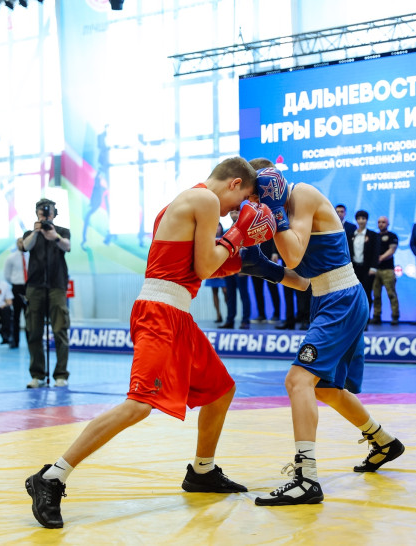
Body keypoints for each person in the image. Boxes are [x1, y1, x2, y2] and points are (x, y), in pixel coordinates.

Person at [24, 156, 274, 529]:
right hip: (160, 313)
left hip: (176, 313)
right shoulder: (206, 200)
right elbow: (206, 267)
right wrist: (238, 235)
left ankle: (202, 471)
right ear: (234, 183)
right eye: (239, 202)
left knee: (221, 390)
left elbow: (197, 268)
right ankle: (51, 477)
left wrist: (248, 260)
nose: (234, 212)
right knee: (139, 404)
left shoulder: (183, 204)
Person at [249, 161, 404, 506]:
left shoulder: (302, 195)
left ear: (267, 184)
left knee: (298, 381)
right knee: (326, 388)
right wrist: (263, 269)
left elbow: (292, 255)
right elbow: (303, 281)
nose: (253, 203)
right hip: (327, 298)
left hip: (341, 298)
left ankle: (306, 479)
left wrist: (274, 215)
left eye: (253, 194)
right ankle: (384, 441)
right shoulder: (280, 210)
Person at [23, 198, 71, 388]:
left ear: (54, 213)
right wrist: (37, 232)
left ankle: (61, 374)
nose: (45, 214)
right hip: (35, 286)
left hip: (56, 286)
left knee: (60, 330)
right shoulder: (30, 234)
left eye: (48, 211)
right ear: (37, 213)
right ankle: (38, 374)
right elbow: (25, 246)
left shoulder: (62, 232)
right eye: (42, 211)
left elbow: (67, 246)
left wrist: (54, 236)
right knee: (34, 331)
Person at [219, 209, 252, 330]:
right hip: (229, 269)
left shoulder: (246, 230)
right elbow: (223, 252)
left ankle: (245, 321)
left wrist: (245, 268)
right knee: (230, 295)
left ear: (240, 214)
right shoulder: (226, 232)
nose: (234, 215)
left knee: (244, 295)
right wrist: (222, 270)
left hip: (241, 268)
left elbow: (250, 250)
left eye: (236, 213)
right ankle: (230, 321)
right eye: (232, 213)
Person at [371, 216, 400, 325]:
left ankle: (395, 316)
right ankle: (376, 316)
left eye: (383, 222)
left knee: (391, 294)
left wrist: (380, 258)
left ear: (388, 224)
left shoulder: (392, 236)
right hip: (376, 270)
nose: (381, 224)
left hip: (388, 270)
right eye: (379, 222)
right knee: (376, 295)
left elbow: (392, 250)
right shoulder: (374, 236)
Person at [349, 210, 378, 314]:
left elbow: (376, 252)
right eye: (359, 218)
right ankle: (355, 317)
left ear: (367, 220)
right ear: (356, 220)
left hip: (367, 269)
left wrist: (373, 267)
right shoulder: (351, 235)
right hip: (354, 269)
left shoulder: (372, 235)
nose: (361, 221)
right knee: (354, 294)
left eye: (363, 218)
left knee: (366, 293)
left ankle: (366, 318)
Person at [3, 237, 28, 348]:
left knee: (29, 316)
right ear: (17, 244)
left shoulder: (31, 256)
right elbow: (7, 275)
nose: (21, 244)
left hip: (29, 288)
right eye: (19, 242)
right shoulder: (11, 258)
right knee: (16, 316)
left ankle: (30, 341)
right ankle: (15, 341)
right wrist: (15, 282)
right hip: (17, 288)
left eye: (23, 242)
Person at [250, 238, 281, 323]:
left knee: (273, 287)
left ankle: (277, 315)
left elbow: (275, 236)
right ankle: (261, 315)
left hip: (269, 258)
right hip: (254, 261)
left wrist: (275, 252)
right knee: (257, 289)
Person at [203, 223, 227, 324]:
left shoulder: (225, 238)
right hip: (212, 269)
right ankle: (218, 315)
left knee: (226, 292)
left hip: (223, 270)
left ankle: (229, 315)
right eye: (215, 226)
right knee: (214, 292)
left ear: (221, 227)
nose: (217, 228)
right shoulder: (209, 239)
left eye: (219, 226)